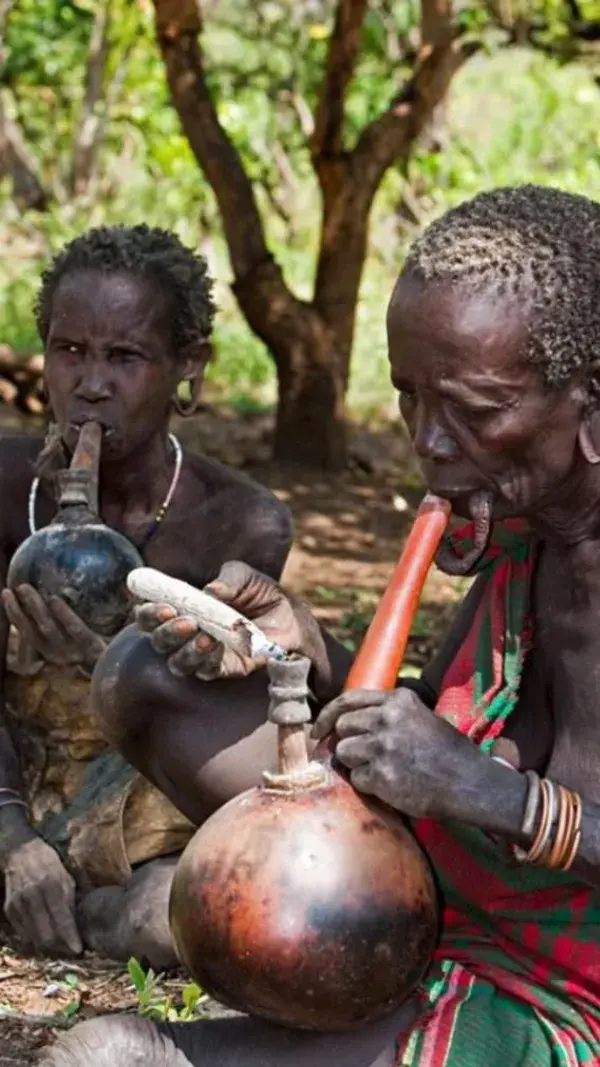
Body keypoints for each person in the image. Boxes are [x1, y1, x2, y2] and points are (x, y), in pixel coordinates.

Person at [45, 184, 600, 1066]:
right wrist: (307, 651)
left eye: (477, 410)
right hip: (438, 906)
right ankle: (299, 953)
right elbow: (427, 727)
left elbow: (473, 774)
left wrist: (496, 795)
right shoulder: (523, 523)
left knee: (109, 1055)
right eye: (410, 398)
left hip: (562, 999)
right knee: (149, 673)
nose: (431, 442)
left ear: (590, 400)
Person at [0, 224, 293, 968]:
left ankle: (93, 911)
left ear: (187, 366)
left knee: (189, 914)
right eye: (70, 351)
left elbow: (224, 723)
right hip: (6, 783)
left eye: (124, 357)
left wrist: (118, 665)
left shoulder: (236, 518)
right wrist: (11, 839)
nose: (91, 384)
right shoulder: (6, 489)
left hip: (146, 809)